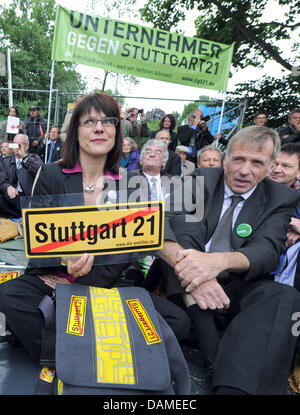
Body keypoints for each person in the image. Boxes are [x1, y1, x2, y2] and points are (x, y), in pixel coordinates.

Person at [0, 93, 190, 364]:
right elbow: (39, 246)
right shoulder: (50, 174)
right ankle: (85, 358)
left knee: (177, 322)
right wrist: (66, 262)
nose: (99, 128)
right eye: (89, 121)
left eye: (108, 121)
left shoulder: (133, 184)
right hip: (54, 280)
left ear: (116, 131)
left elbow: (132, 251)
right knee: (8, 295)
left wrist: (84, 283)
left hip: (107, 287)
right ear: (76, 131)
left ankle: (72, 344)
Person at [158, 125, 300, 395]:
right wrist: (199, 270)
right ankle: (213, 358)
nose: (244, 170)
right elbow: (181, 224)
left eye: (257, 162)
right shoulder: (202, 178)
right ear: (225, 160)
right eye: (238, 159)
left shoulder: (281, 197)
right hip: (183, 272)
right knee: (176, 256)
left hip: (236, 282)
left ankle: (236, 389)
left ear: (269, 167)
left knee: (283, 296)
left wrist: (218, 262)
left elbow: (268, 250)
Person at [0, 133, 43, 218]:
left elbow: (40, 173)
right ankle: (22, 214)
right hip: (11, 196)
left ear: (26, 146)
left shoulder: (34, 159)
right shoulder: (5, 161)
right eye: (15, 144)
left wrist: (24, 157)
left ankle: (19, 213)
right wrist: (8, 187)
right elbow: (2, 179)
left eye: (20, 144)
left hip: (27, 197)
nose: (17, 147)